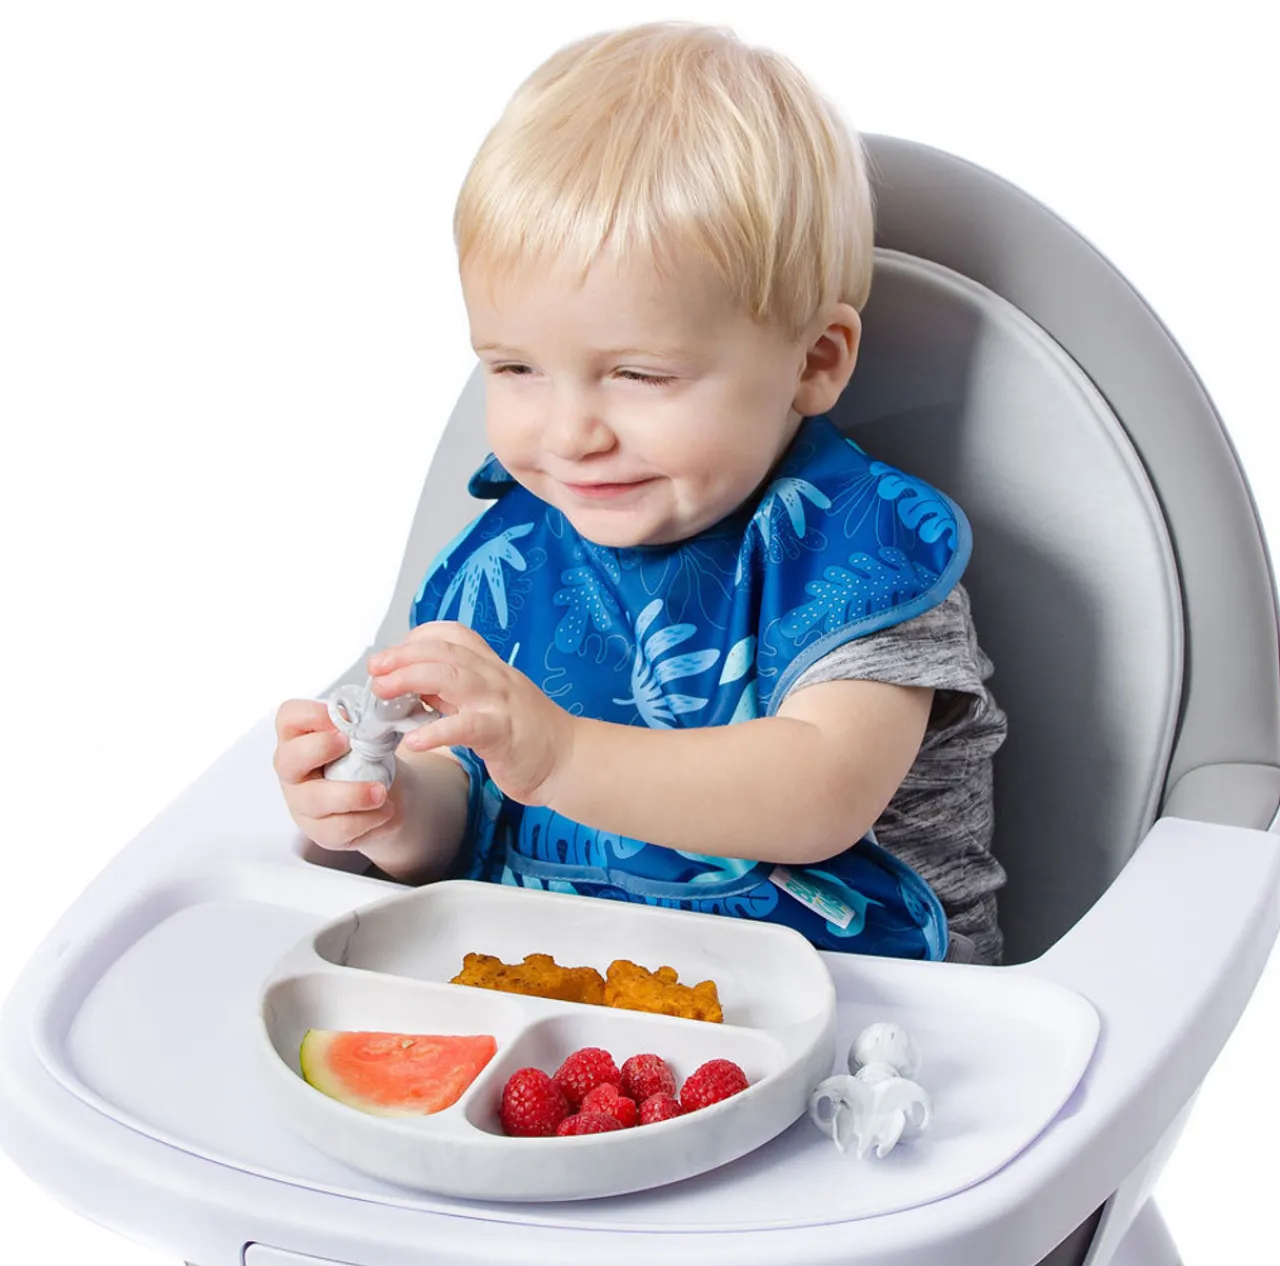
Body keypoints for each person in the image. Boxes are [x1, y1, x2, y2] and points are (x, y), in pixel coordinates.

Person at [273, 22, 1007, 963]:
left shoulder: (867, 560)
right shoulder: (507, 562)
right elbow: (472, 816)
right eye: (516, 368)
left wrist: (560, 755)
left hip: (871, 1011)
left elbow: (822, 791)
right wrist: (389, 809)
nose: (570, 433)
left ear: (815, 361)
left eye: (639, 375)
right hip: (563, 997)